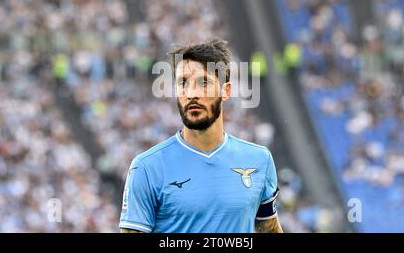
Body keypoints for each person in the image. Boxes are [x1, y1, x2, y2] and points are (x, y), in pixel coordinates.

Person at [119, 38, 283, 233]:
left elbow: (268, 228)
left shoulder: (259, 160)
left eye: (203, 82)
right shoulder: (147, 168)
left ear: (226, 90)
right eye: (183, 83)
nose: (191, 93)